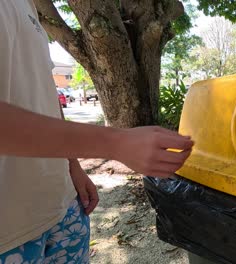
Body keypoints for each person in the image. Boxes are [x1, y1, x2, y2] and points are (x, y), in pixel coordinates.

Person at [0, 1, 193, 263]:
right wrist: (116, 143)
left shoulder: (30, 7)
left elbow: (44, 94)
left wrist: (72, 165)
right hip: (10, 234)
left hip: (63, 207)